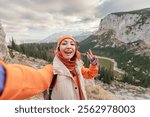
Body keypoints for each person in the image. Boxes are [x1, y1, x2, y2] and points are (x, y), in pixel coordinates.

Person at [0, 35, 98, 100]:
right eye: (64, 43)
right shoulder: (52, 70)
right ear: (58, 49)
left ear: (75, 49)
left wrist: (93, 65)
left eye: (72, 44)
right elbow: (38, 78)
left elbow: (90, 74)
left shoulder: (78, 67)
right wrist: (5, 78)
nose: (69, 46)